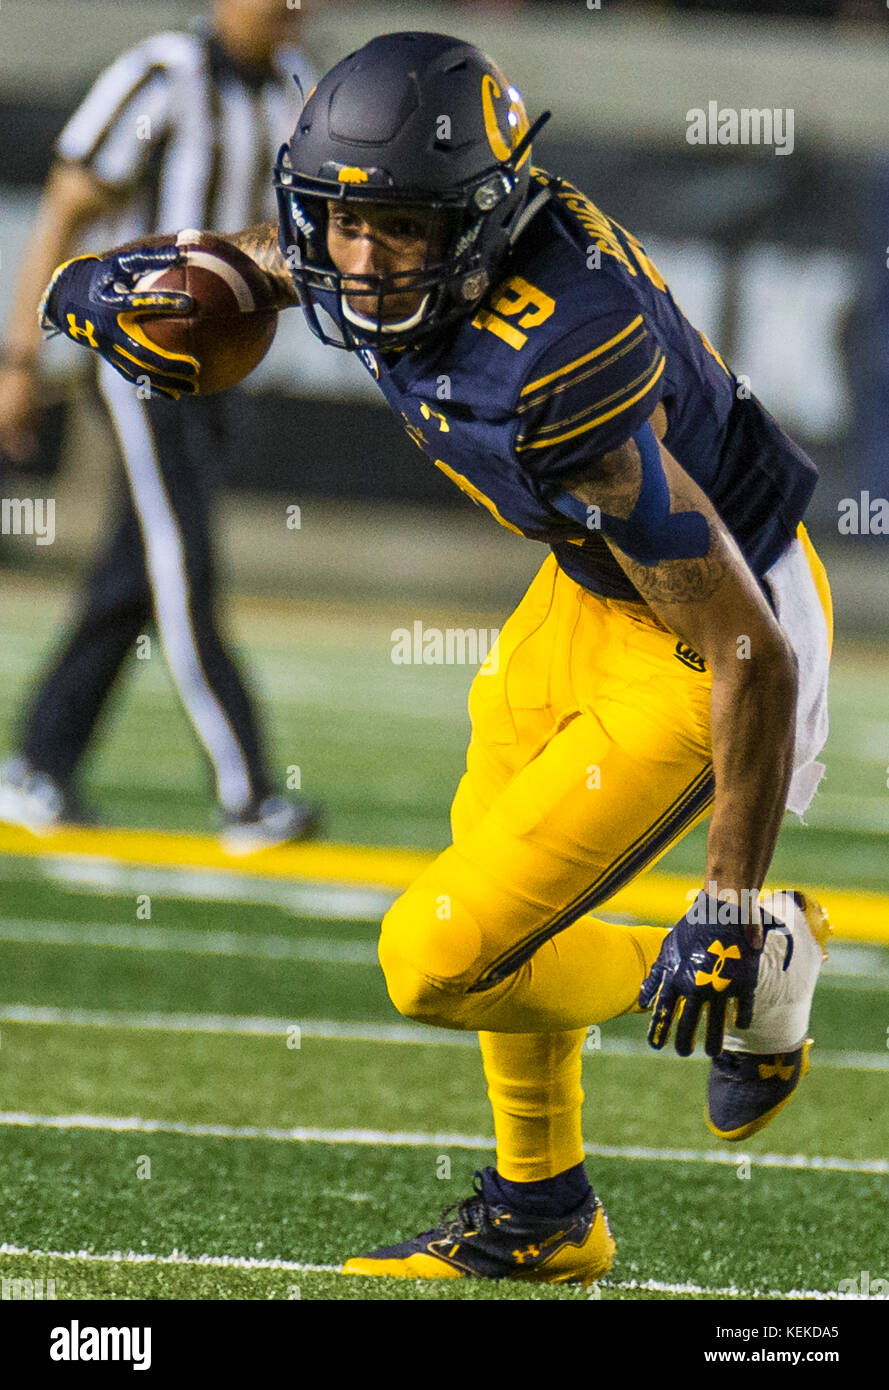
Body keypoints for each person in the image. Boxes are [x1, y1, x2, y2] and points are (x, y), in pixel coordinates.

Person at [39, 31, 834, 1284]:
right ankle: (543, 1216)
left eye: (402, 230)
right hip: (588, 590)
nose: (364, 262)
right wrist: (121, 278)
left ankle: (769, 959)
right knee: (485, 873)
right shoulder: (391, 241)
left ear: (480, 219)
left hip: (714, 632)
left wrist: (727, 906)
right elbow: (285, 256)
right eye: (342, 225)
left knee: (442, 957)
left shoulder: (555, 365)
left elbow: (750, 649)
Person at [0, 0, 321, 850]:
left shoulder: (301, 88)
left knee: (136, 573)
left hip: (222, 369)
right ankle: (248, 792)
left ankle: (37, 763)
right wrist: (19, 359)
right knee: (184, 563)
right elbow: (67, 206)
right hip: (136, 363)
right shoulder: (160, 74)